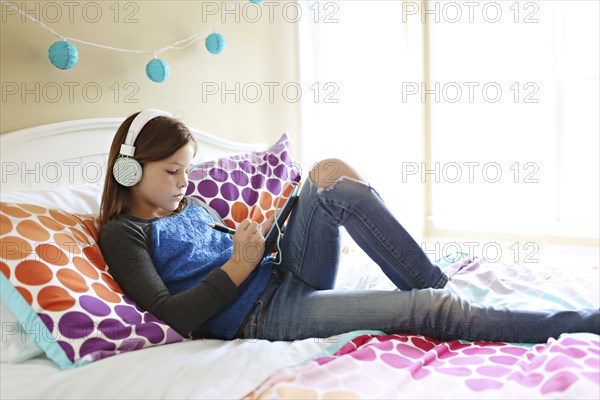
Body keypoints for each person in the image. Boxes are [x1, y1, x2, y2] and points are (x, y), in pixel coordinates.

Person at [98, 109, 599, 343]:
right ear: (128, 169)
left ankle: (435, 283)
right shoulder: (123, 233)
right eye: (173, 171)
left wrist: (259, 239)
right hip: (265, 316)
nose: (187, 181)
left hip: (280, 274)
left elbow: (237, 255)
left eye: (188, 168)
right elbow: (172, 315)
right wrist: (238, 265)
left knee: (329, 175)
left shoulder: (189, 206)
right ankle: (578, 323)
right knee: (431, 310)